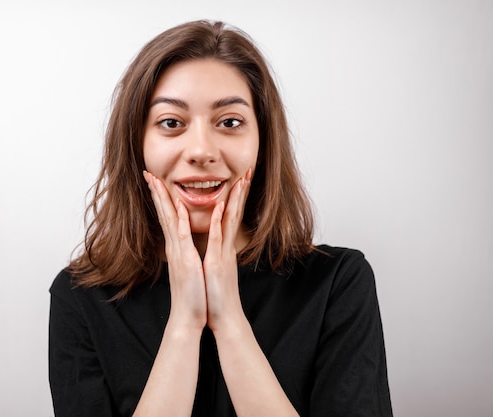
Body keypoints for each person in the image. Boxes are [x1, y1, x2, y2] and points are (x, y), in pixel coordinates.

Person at [48, 20, 392, 417]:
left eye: (229, 122)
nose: (200, 151)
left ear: (262, 142)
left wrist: (229, 320)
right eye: (171, 123)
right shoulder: (81, 298)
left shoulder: (337, 283)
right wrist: (184, 324)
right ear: (136, 144)